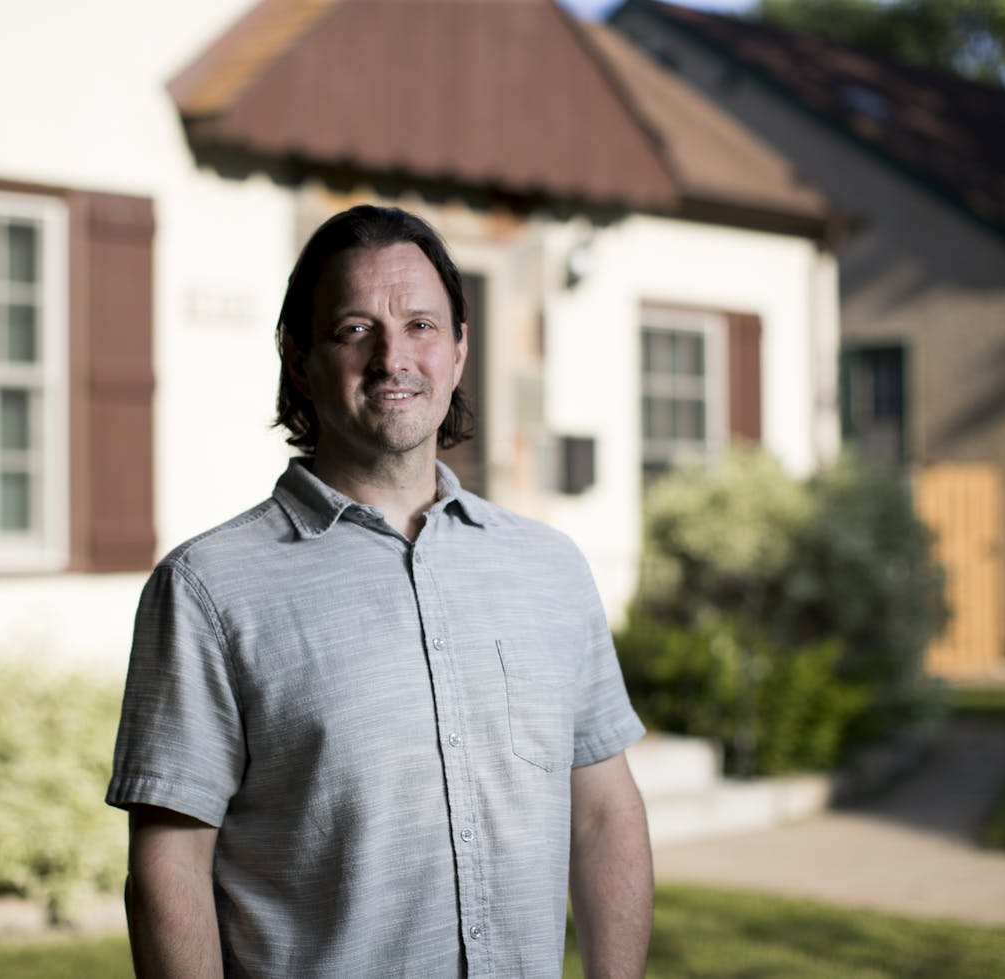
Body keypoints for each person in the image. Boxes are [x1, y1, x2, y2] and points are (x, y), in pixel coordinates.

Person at [107, 205, 652, 978]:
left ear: (460, 351)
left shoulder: (551, 566)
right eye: (355, 329)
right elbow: (169, 863)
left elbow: (603, 811)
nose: (393, 356)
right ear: (299, 359)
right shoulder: (207, 590)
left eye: (422, 326)